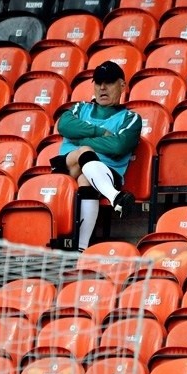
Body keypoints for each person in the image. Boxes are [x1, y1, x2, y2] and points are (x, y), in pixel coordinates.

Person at [52, 60, 142, 251]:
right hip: (67, 167)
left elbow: (119, 145)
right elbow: (64, 125)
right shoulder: (79, 108)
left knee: (85, 175)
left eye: (109, 82)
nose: (102, 87)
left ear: (122, 85)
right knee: (85, 152)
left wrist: (81, 139)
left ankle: (80, 250)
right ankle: (115, 197)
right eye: (98, 82)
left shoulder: (130, 118)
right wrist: (99, 133)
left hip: (106, 172)